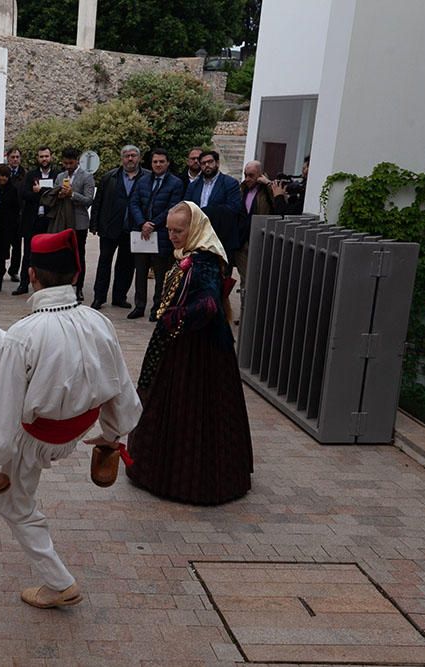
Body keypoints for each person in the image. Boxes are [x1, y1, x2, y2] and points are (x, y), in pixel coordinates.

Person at [0, 229, 141, 608]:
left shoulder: (26, 333)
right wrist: (112, 436)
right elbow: (121, 388)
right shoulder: (99, 322)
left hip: (34, 438)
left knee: (13, 505)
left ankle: (59, 583)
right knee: (16, 355)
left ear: (32, 275)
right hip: (77, 429)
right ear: (76, 276)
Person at [125, 201, 253, 505]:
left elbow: (209, 304)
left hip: (198, 350)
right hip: (179, 341)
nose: (172, 236)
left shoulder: (204, 260)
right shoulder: (187, 255)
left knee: (193, 408)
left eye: (178, 230)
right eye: (169, 229)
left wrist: (176, 316)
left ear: (194, 228)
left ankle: (190, 479)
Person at [129, 148, 185, 320]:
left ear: (167, 163)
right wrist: (142, 223)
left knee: (161, 275)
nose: (158, 164)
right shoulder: (143, 181)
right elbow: (134, 203)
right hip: (142, 234)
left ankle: (157, 308)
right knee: (140, 272)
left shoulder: (176, 183)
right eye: (155, 162)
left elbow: (172, 208)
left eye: (161, 161)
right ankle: (139, 306)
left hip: (161, 235)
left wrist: (153, 224)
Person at [89, 145, 144, 311]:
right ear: (122, 159)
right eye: (127, 156)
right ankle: (99, 297)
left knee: (126, 265)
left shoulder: (146, 177)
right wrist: (94, 224)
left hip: (132, 229)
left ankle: (119, 297)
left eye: (133, 155)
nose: (130, 159)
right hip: (109, 228)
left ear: (139, 158)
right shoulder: (109, 177)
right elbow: (98, 201)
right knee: (104, 262)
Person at [13, 147, 58, 296]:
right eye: (41, 156)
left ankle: (48, 284)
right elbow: (24, 194)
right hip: (32, 221)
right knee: (28, 254)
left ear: (51, 157)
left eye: (46, 156)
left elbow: (58, 194)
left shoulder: (57, 174)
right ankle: (23, 284)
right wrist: (44, 194)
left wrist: (41, 191)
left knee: (49, 255)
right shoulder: (31, 174)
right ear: (37, 158)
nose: (44, 159)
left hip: (50, 220)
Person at [184, 150, 242, 267]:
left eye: (210, 162)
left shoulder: (230, 183)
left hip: (220, 237)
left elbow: (233, 208)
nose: (206, 165)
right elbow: (187, 207)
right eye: (203, 163)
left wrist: (207, 212)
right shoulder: (193, 185)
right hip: (197, 237)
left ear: (217, 163)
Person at [53, 148, 95, 302]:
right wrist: (59, 195)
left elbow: (89, 200)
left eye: (71, 163)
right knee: (63, 255)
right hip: (63, 221)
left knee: (79, 256)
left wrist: (72, 194)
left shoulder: (87, 177)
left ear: (77, 161)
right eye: (65, 163)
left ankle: (79, 287)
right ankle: (63, 286)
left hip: (79, 222)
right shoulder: (60, 176)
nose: (68, 166)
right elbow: (53, 196)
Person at [237, 159, 277, 288]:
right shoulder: (242, 189)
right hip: (243, 242)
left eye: (251, 175)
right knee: (245, 281)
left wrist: (268, 184)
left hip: (260, 241)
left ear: (260, 175)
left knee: (257, 281)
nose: (247, 179)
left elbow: (280, 202)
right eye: (245, 175)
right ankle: (244, 308)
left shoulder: (267, 190)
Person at [0, 163, 21, 293]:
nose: (2, 179)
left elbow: (16, 208)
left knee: (1, 255)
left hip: (6, 227)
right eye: (0, 176)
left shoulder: (13, 190)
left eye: (5, 176)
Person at [2, 146, 27, 282]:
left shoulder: (25, 174)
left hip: (19, 216)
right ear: (8, 158)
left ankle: (14, 270)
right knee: (2, 245)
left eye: (17, 157)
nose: (15, 159)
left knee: (17, 246)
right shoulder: (2, 172)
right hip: (4, 215)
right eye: (13, 157)